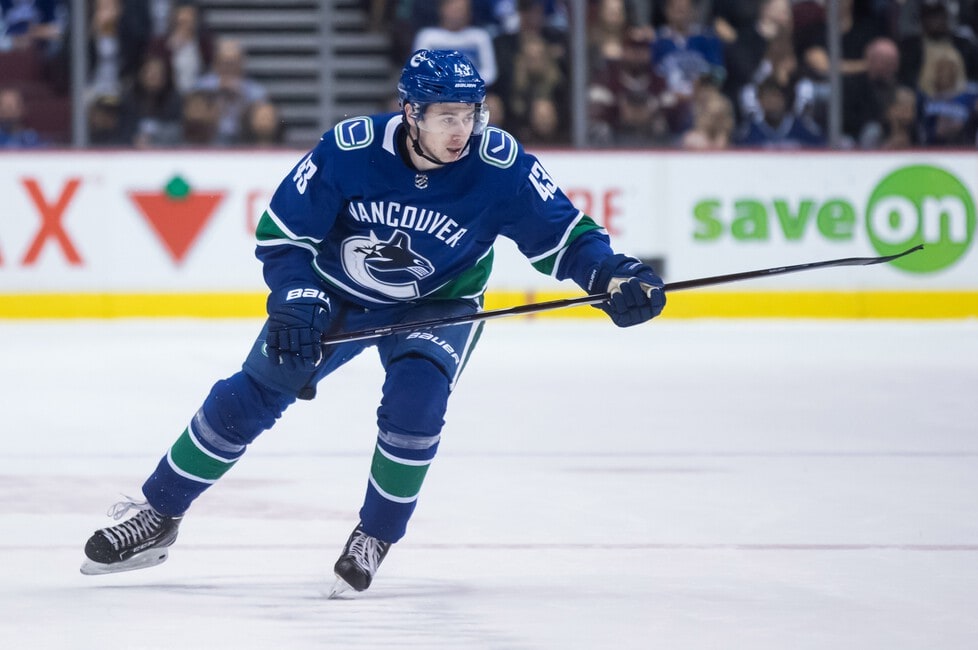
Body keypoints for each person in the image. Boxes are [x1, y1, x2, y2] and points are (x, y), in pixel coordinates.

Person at [79, 49, 666, 596]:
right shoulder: (350, 148)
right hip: (335, 291)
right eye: (445, 117)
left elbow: (566, 237)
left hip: (441, 302)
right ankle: (158, 515)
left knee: (416, 406)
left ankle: (376, 534)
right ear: (411, 112)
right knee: (252, 393)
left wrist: (613, 275)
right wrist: (297, 293)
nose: (460, 131)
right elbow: (284, 233)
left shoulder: (500, 167)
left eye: (470, 115)